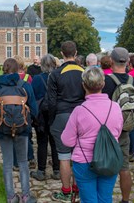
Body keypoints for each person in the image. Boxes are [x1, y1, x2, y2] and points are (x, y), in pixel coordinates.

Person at [61, 66, 123, 202]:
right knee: (106, 197)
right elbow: (117, 132)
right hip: (110, 158)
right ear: (103, 84)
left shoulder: (79, 110)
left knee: (88, 199)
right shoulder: (116, 107)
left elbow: (67, 141)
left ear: (84, 85)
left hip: (84, 161)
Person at [0, 58, 38, 203]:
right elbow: (34, 109)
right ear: (17, 70)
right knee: (22, 162)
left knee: (8, 164)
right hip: (22, 128)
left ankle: (11, 197)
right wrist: (28, 121)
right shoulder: (24, 85)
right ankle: (26, 196)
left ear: (3, 69)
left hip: (3, 128)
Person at [48, 41, 85, 202]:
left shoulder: (55, 74)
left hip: (62, 115)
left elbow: (51, 101)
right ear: (75, 53)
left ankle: (66, 191)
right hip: (82, 115)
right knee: (79, 155)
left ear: (62, 54)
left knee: (64, 156)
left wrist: (51, 120)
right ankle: (77, 189)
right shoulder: (84, 72)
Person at [101, 47, 134, 203]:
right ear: (127, 62)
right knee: (124, 168)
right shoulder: (132, 80)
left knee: (103, 163)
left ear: (111, 61)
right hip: (125, 127)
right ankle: (125, 200)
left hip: (108, 128)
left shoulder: (106, 80)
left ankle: (103, 197)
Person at [30, 54, 60, 181]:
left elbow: (32, 96)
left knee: (42, 142)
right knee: (54, 142)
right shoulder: (58, 77)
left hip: (41, 114)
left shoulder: (36, 79)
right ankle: (57, 170)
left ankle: (41, 171)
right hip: (55, 112)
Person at [13, 55, 36, 169]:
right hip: (25, 109)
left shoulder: (10, 78)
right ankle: (30, 158)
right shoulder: (28, 77)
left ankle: (16, 163)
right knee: (26, 135)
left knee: (14, 136)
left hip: (12, 109)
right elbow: (31, 94)